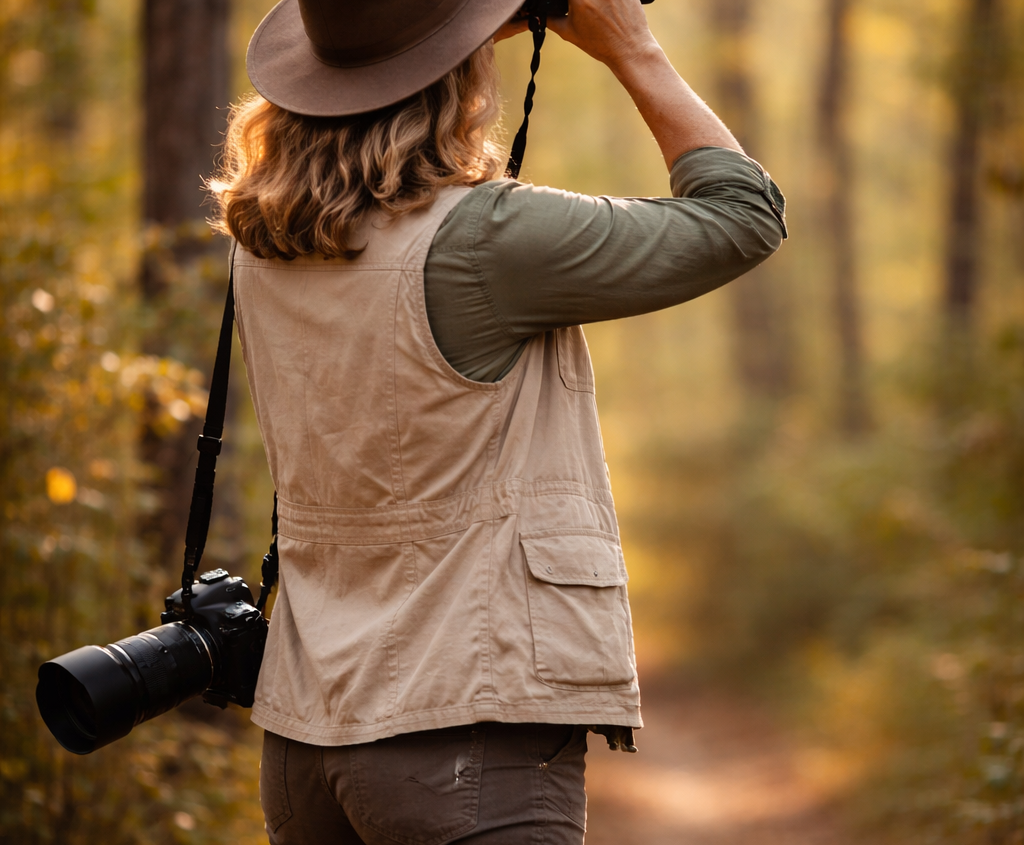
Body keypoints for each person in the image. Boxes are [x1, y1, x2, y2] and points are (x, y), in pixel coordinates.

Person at [209, 0, 787, 842]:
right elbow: (742, 215)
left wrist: (430, 32)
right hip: (463, 736)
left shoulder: (265, 242)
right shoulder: (484, 241)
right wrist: (635, 50)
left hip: (307, 737)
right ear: (457, 81)